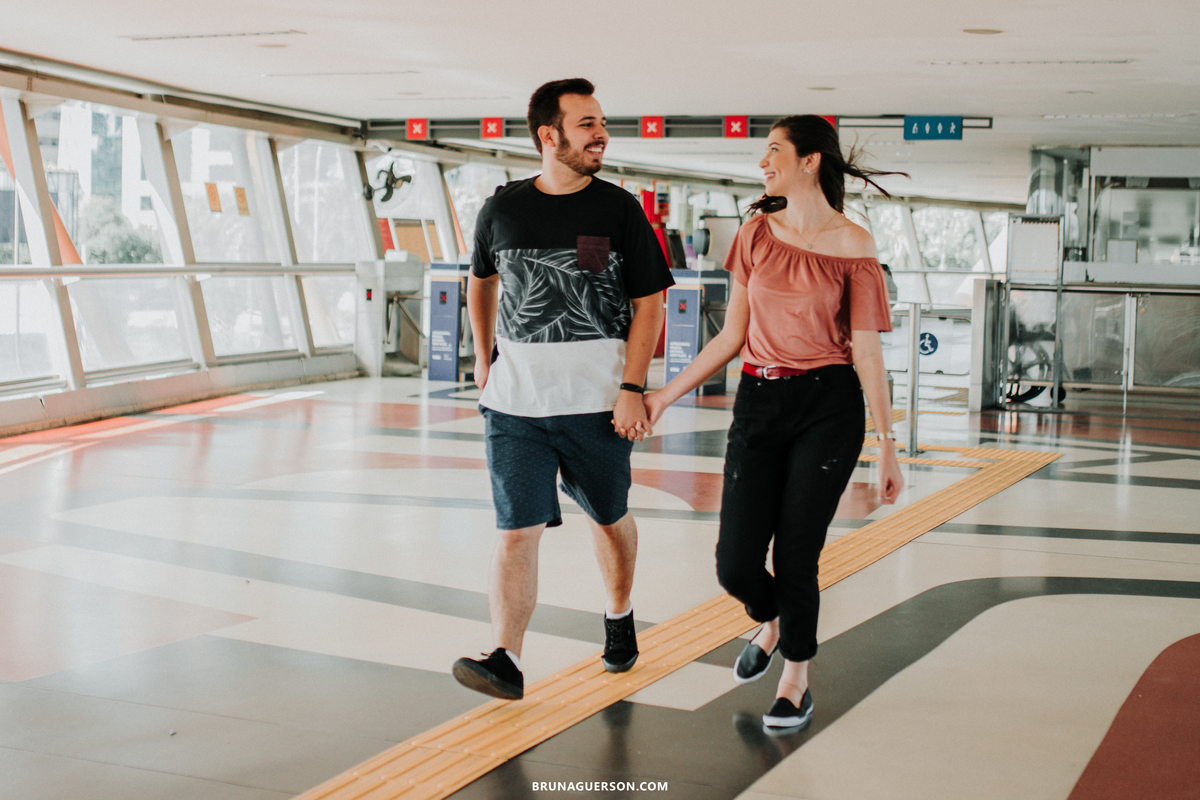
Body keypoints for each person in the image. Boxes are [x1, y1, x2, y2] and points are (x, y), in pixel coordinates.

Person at [643, 115, 905, 733]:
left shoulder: (854, 246)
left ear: (810, 160)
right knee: (735, 564)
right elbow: (731, 336)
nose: (764, 163)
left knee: (797, 556)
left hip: (829, 406)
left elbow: (866, 353)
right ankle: (776, 618)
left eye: (774, 152)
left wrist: (888, 447)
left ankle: (796, 679)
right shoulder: (755, 233)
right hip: (759, 402)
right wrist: (663, 397)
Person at [452, 78, 674, 701]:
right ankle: (506, 656)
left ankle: (618, 611)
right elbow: (481, 281)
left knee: (609, 519)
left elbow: (650, 303)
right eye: (586, 124)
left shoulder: (618, 208)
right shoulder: (503, 209)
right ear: (549, 136)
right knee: (515, 531)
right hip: (516, 405)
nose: (600, 133)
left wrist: (633, 385)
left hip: (596, 403)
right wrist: (483, 355)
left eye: (601, 122)